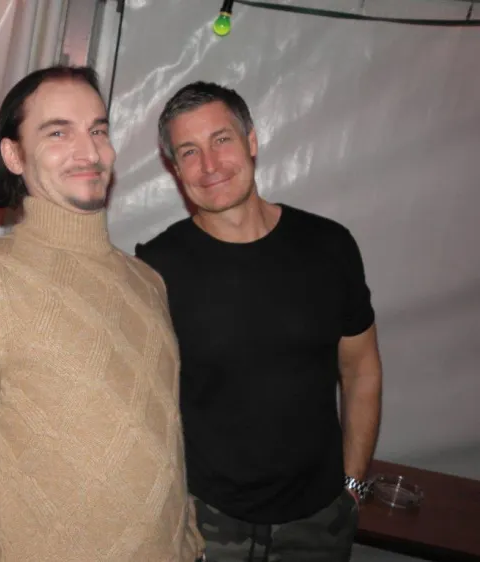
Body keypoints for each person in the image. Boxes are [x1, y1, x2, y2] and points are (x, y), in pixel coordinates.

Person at [0, 66, 204, 562]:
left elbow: (164, 445)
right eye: (58, 132)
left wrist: (189, 542)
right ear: (14, 155)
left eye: (98, 130)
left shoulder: (147, 282)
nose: (89, 151)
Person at [135, 81, 383, 561]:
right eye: (189, 151)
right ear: (174, 168)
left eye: (221, 140)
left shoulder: (329, 247)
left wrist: (352, 485)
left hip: (319, 522)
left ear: (251, 140)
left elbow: (361, 369)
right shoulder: (157, 268)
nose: (209, 165)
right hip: (206, 522)